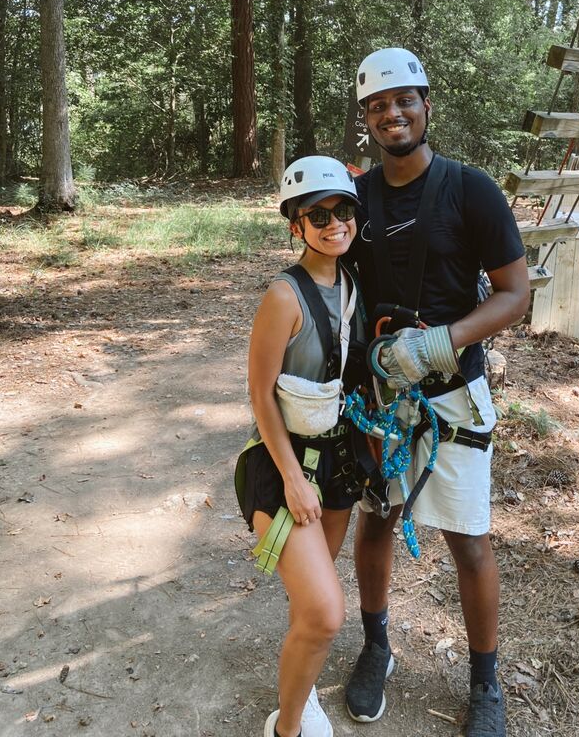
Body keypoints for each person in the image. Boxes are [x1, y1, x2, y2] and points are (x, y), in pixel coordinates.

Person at [343, 48, 530, 737]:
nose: (393, 113)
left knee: (469, 540)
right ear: (366, 118)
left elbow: (514, 293)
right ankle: (375, 646)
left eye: (404, 101)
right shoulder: (353, 201)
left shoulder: (470, 189)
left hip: (452, 392)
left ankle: (485, 683)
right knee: (378, 518)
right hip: (379, 395)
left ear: (427, 107)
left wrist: (444, 340)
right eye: (378, 105)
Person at [243, 155, 366, 737]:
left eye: (344, 210)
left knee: (312, 604)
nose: (334, 223)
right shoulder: (283, 297)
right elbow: (261, 395)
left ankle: (304, 688)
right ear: (296, 224)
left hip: (338, 461)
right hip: (283, 464)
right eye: (318, 214)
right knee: (323, 613)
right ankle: (286, 727)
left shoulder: (352, 284)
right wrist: (291, 478)